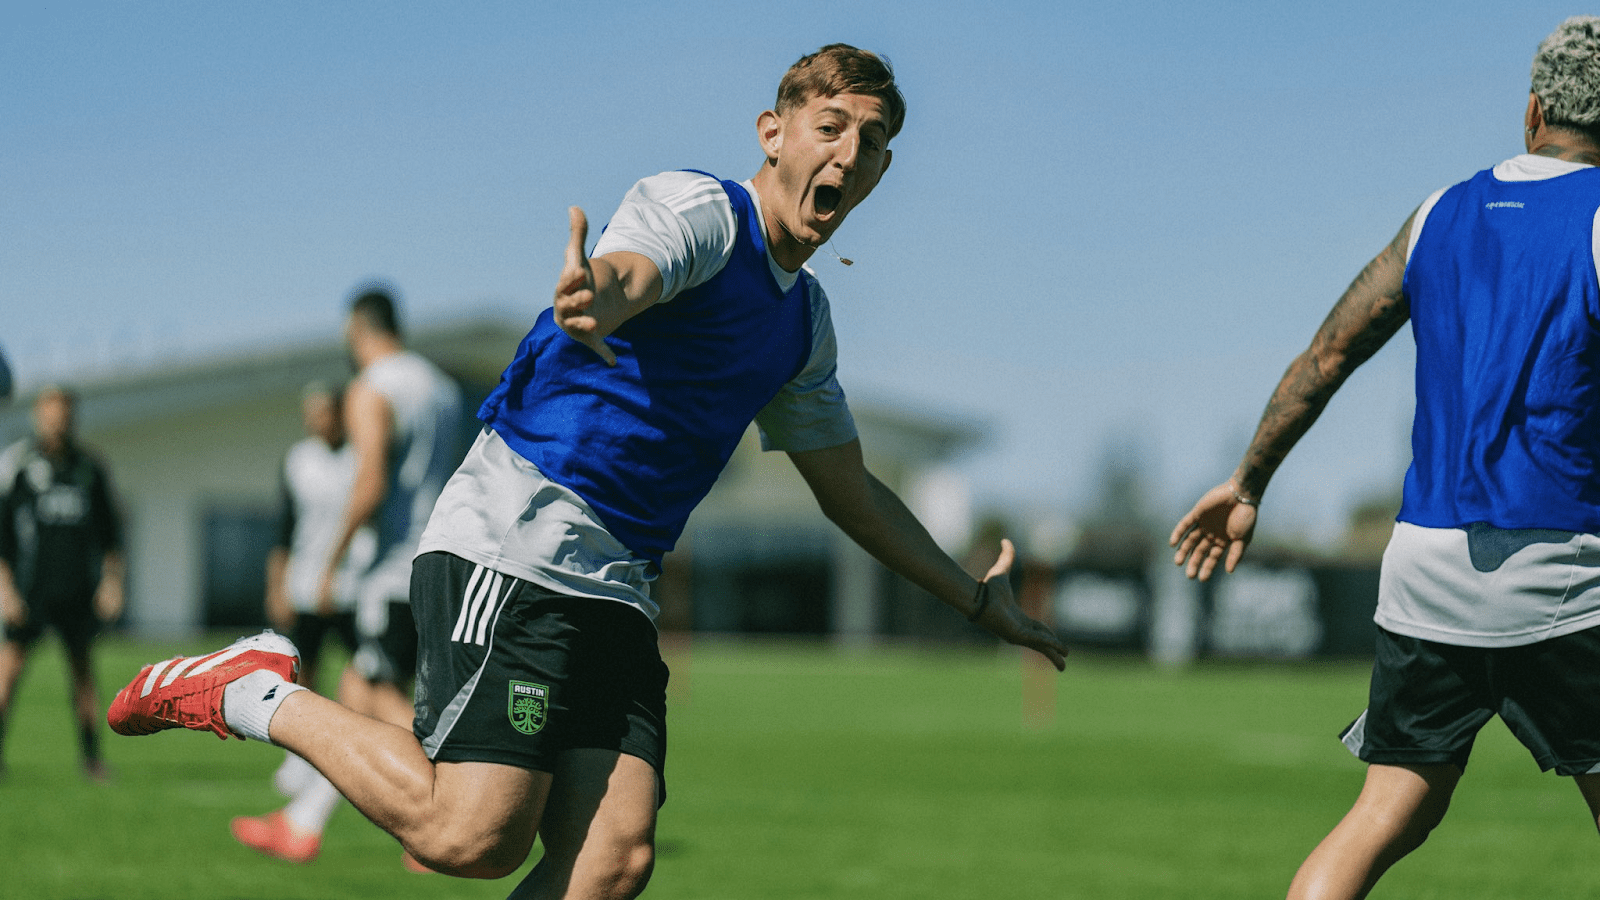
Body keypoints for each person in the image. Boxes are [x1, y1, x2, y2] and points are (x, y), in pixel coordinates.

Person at [109, 44, 1066, 899]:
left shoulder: (803, 324)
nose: (847, 154)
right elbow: (636, 271)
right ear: (774, 134)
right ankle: (250, 690)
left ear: (883, 171)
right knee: (471, 835)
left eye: (869, 142)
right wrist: (595, 298)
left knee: (611, 861)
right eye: (829, 128)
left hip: (618, 586)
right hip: (517, 538)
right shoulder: (702, 212)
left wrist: (973, 599)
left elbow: (849, 485)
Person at [1170, 17, 1600, 900]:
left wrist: (1248, 480)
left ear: (1532, 112)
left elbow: (1327, 355)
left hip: (1424, 571)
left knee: (1390, 808)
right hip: (1566, 569)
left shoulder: (1439, 212)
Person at [230, 288, 461, 864]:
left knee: (379, 701)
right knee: (358, 697)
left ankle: (462, 804)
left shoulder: (373, 388)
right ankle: (302, 825)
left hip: (392, 573)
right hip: (442, 563)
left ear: (357, 330)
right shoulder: (443, 388)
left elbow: (370, 485)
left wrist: (330, 562)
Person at [234, 382, 373, 847]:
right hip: (306, 585)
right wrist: (278, 585)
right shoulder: (298, 460)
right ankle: (301, 752)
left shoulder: (361, 458)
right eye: (310, 412)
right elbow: (284, 528)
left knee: (364, 681)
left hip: (353, 588)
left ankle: (339, 752)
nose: (317, 419)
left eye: (324, 411)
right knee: (302, 673)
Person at [0, 385, 124, 780]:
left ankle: (92, 760)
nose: (58, 422)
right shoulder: (19, 465)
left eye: (65, 414)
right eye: (51, 414)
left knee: (83, 675)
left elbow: (110, 537)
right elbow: (2, 536)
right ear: (38, 416)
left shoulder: (89, 468)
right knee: (8, 672)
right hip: (29, 590)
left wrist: (111, 583)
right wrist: (5, 591)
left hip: (76, 591)